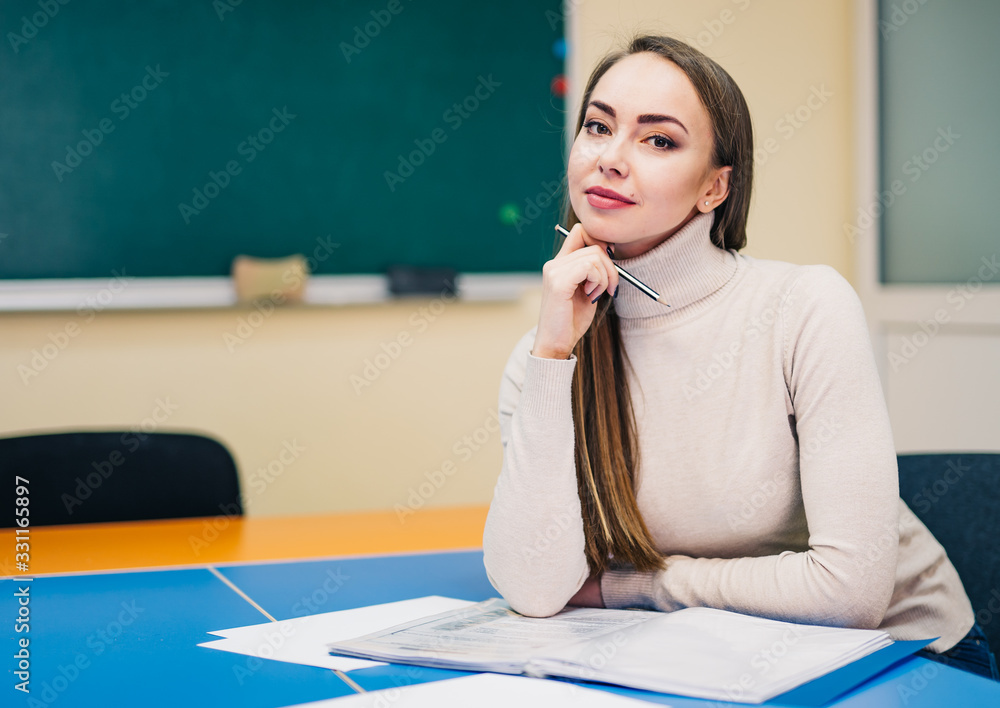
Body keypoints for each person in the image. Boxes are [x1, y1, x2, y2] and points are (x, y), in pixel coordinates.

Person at [482, 34, 998, 682]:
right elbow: (533, 591)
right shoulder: (542, 359)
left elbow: (850, 594)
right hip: (708, 656)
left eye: (658, 139)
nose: (610, 158)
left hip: (905, 658)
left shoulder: (805, 308)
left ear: (715, 188)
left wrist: (628, 586)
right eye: (597, 126)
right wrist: (553, 352)